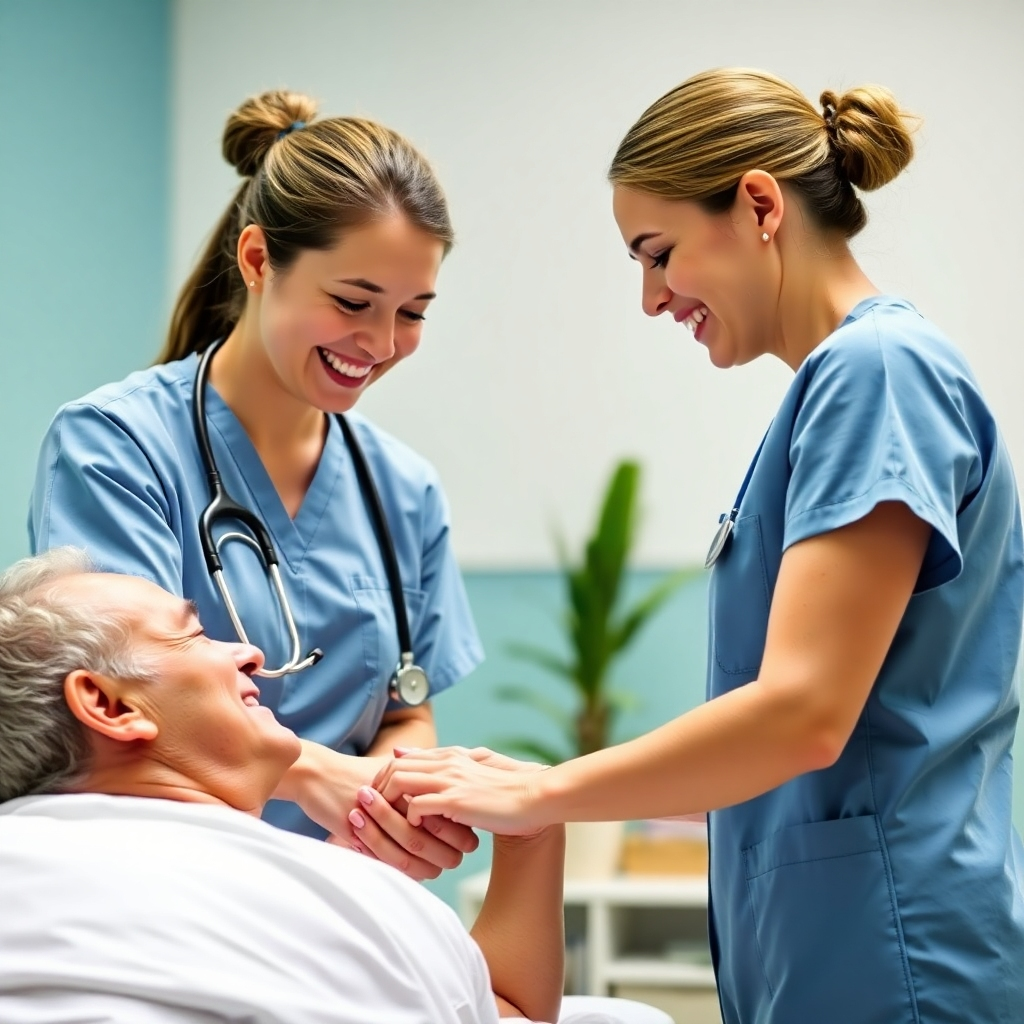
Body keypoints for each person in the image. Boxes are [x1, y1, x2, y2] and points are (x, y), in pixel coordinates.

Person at [367, 69, 1024, 1023]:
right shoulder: (832, 390)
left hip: (897, 959)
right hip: (835, 952)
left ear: (759, 204)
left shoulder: (878, 372)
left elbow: (803, 710)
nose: (651, 297)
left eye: (658, 252)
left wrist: (548, 793)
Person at [28, 89, 484, 877]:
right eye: (352, 301)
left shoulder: (402, 490)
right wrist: (315, 779)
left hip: (354, 893)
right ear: (256, 260)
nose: (380, 343)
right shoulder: (115, 447)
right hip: (179, 885)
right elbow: (129, 704)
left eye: (413, 311)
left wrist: (388, 813)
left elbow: (408, 708)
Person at [0, 549, 673, 1024]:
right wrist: (532, 834)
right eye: (195, 634)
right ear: (110, 705)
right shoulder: (363, 903)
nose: (248, 653)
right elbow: (511, 1014)